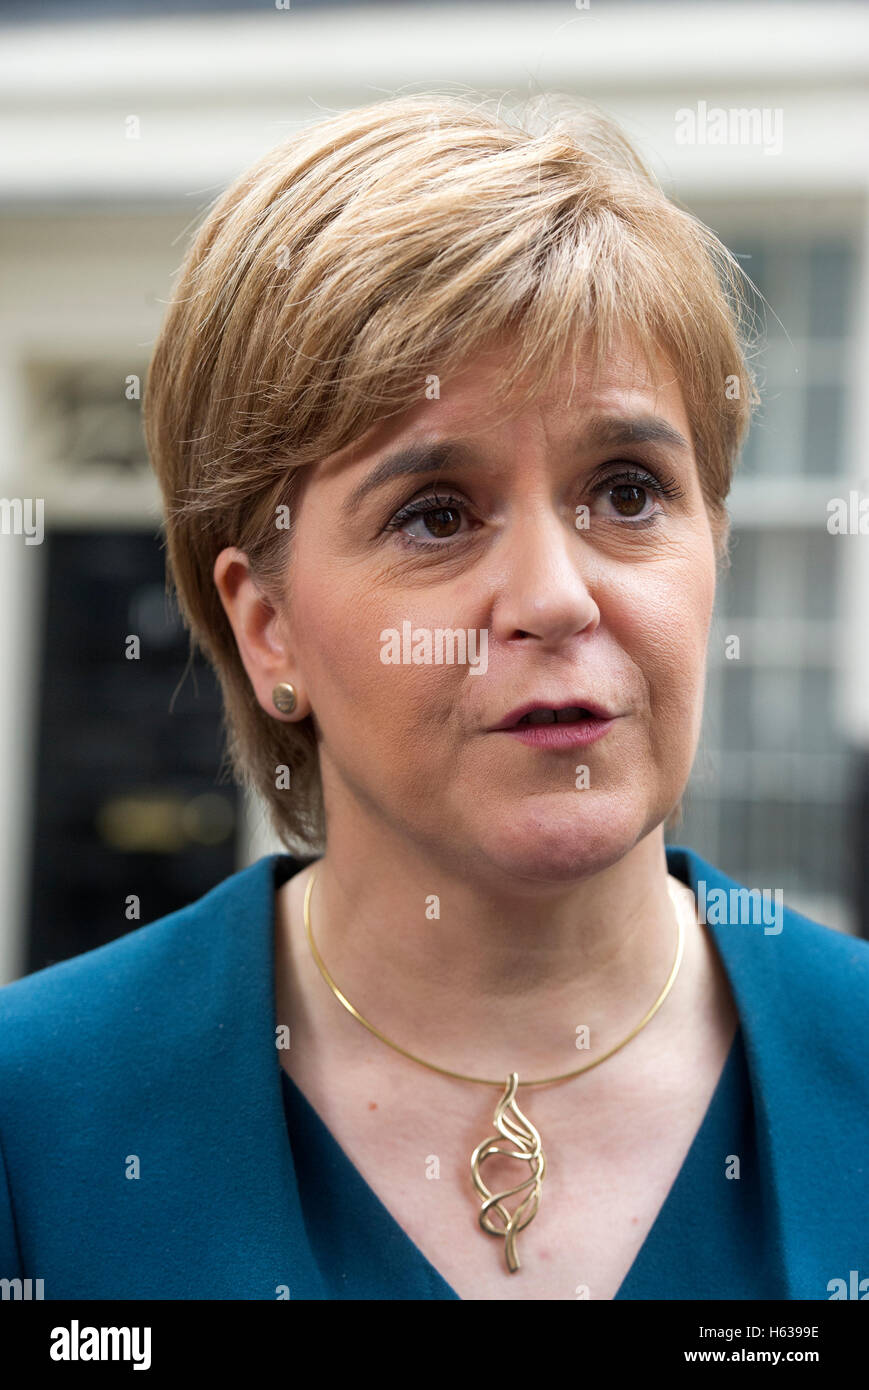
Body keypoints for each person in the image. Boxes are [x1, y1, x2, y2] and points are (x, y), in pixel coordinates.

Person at [1, 93, 867, 1302]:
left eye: (625, 493)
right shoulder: (40, 1125)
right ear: (268, 629)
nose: (555, 598)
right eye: (435, 515)